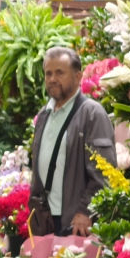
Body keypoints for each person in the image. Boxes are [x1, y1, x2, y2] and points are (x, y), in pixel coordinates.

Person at [27, 47, 116, 236]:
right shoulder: (44, 115)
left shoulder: (92, 114)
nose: (52, 79)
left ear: (78, 76)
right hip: (46, 221)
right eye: (48, 73)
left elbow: (105, 172)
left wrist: (86, 210)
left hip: (76, 223)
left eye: (60, 72)